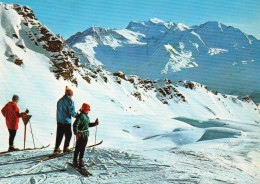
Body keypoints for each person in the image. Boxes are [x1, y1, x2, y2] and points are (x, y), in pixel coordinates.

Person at [73, 103, 99, 168]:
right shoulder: (81, 116)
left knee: (81, 148)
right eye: (88, 110)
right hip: (81, 135)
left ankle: (79, 160)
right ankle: (76, 161)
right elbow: (75, 124)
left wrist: (95, 124)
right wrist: (76, 132)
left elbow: (87, 125)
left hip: (84, 135)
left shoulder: (84, 116)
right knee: (79, 148)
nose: (89, 111)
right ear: (85, 109)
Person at [54, 86, 78, 154]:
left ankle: (56, 148)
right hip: (66, 121)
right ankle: (66, 148)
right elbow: (71, 112)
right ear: (70, 94)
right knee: (68, 134)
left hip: (59, 121)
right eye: (72, 94)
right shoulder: (70, 101)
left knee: (59, 135)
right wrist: (77, 116)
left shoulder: (60, 100)